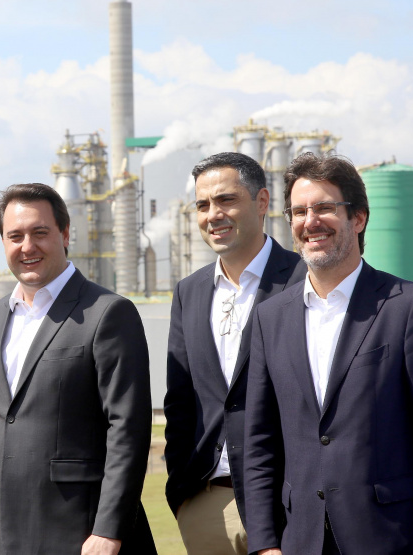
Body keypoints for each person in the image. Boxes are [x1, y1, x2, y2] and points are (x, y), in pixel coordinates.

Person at [243, 152, 413, 555]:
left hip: (392, 538)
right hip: (301, 542)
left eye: (325, 208)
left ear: (359, 218)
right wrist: (264, 544)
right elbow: (260, 442)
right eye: (298, 211)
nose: (310, 221)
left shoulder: (411, 306)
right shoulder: (268, 317)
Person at [0, 183, 155, 554]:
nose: (27, 246)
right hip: (8, 531)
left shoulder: (107, 312)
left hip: (82, 531)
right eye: (15, 236)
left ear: (64, 233)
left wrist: (109, 530)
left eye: (39, 232)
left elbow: (128, 428)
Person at [163, 152, 305, 555]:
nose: (213, 215)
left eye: (226, 200)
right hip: (208, 503)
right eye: (203, 205)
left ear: (261, 202)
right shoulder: (188, 293)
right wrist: (184, 495)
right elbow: (181, 400)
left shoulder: (304, 279)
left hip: (288, 503)